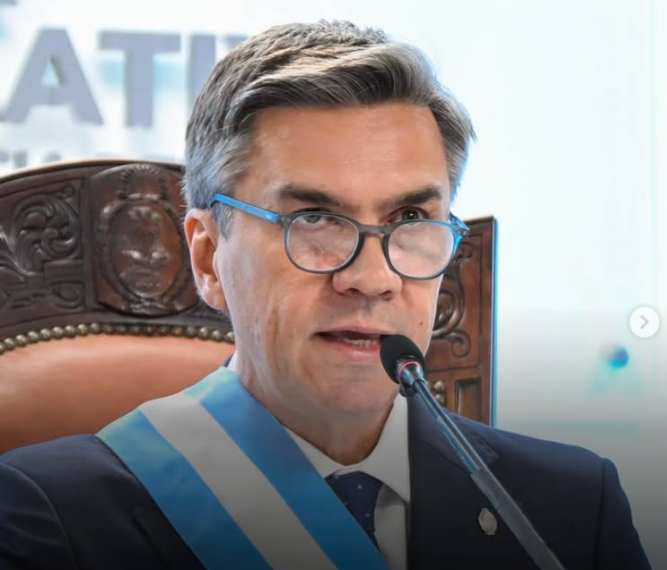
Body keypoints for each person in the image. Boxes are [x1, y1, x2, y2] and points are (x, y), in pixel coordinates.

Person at [0, 20, 651, 570]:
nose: (371, 277)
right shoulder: (48, 517)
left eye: (408, 220)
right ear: (206, 256)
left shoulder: (569, 510)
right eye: (313, 220)